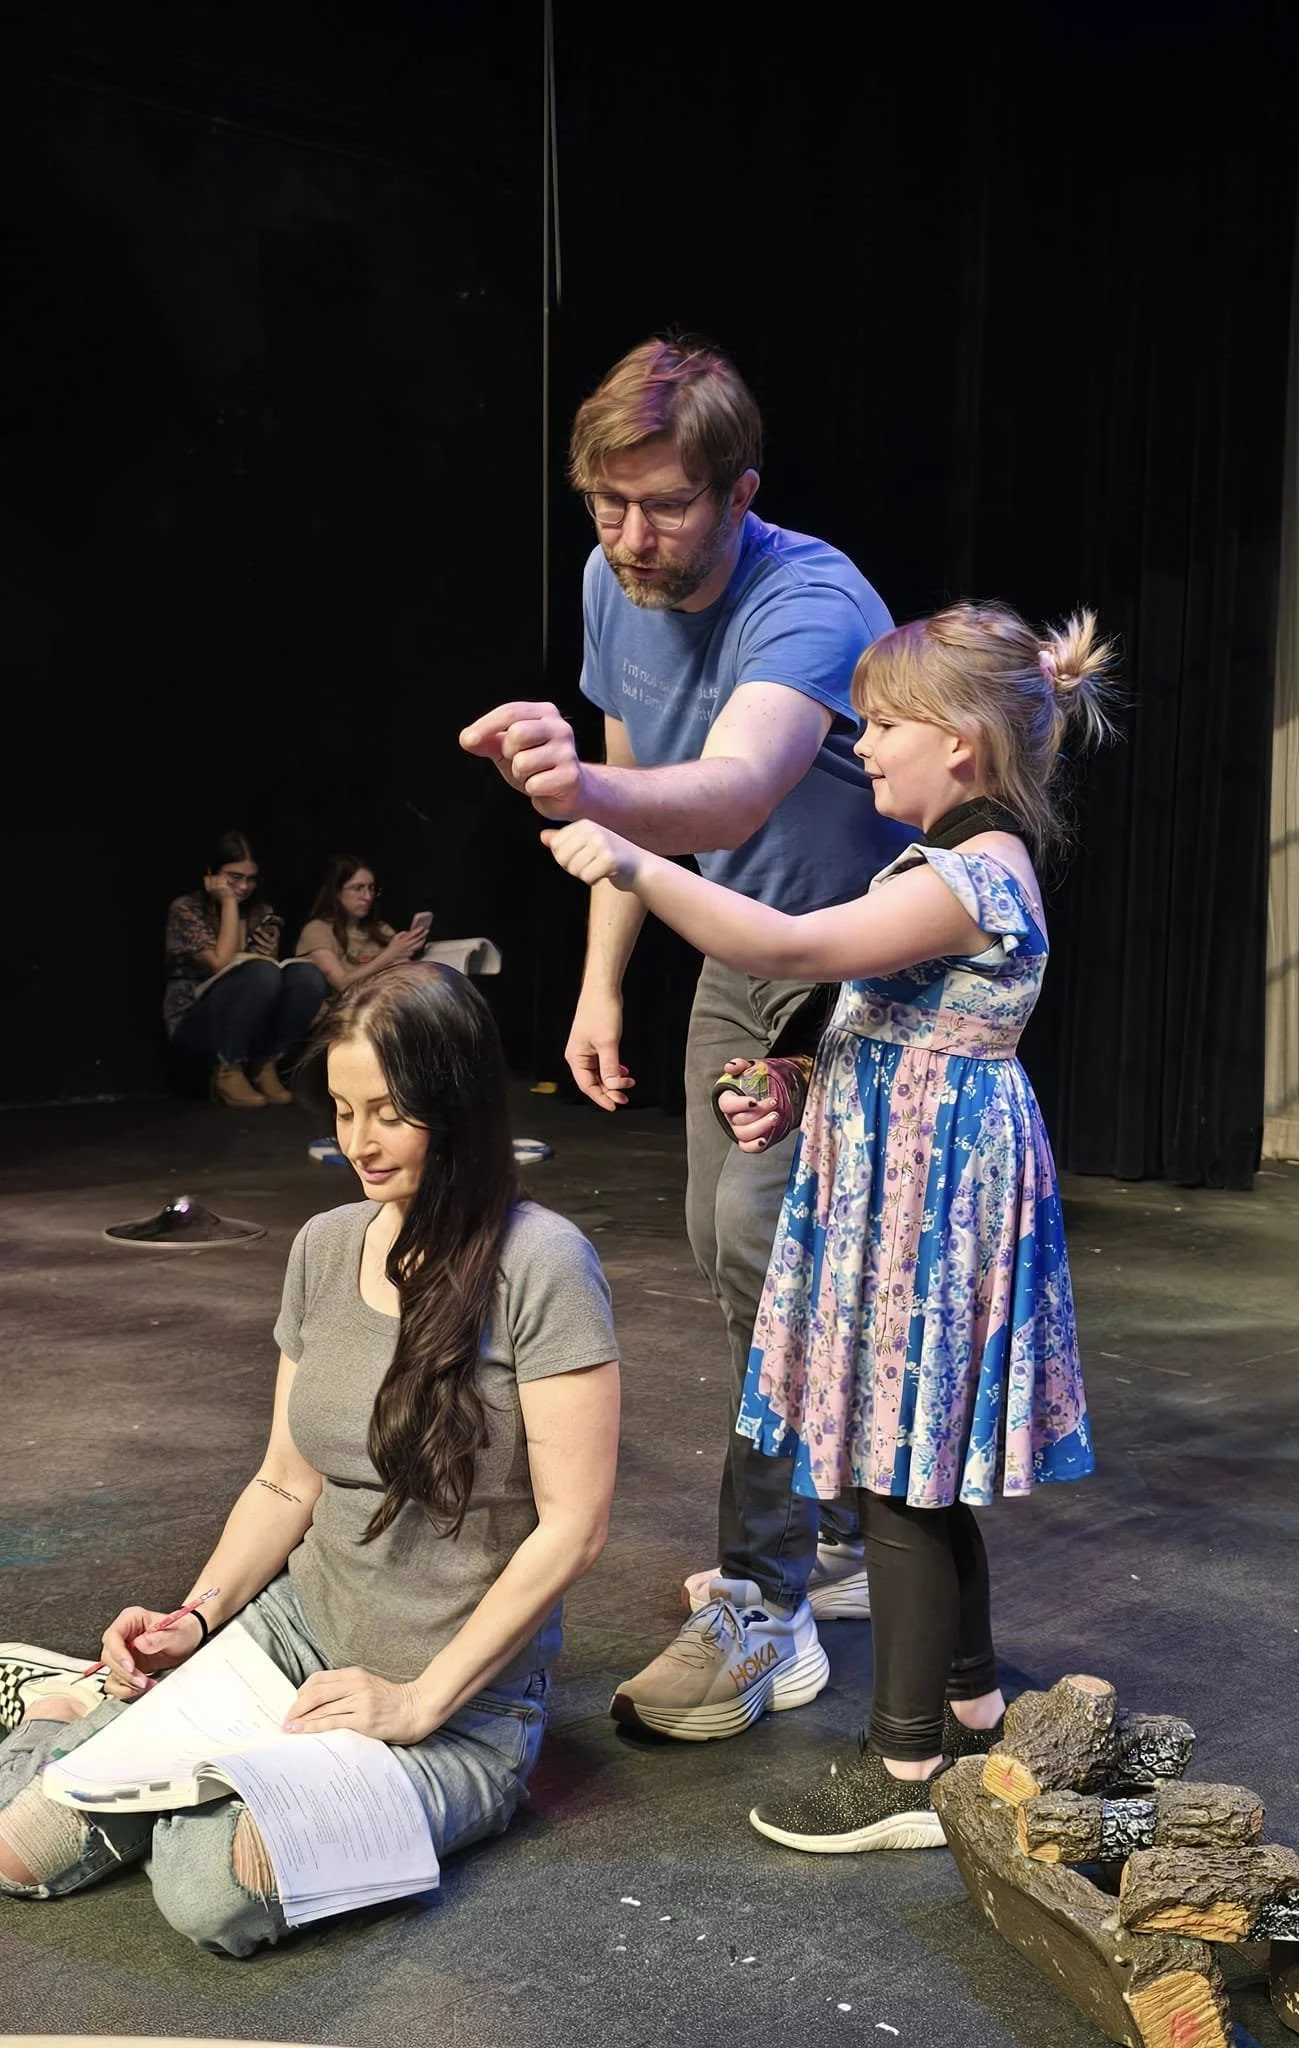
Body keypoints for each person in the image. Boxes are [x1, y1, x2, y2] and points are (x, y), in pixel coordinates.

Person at [545, 601, 1107, 1851]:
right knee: (917, 1470)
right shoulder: (952, 867)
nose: (865, 747)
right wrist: (798, 1084)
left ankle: (903, 1768)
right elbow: (902, 1024)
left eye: (889, 725)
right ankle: (970, 1702)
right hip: (907, 1174)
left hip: (925, 1201)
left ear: (962, 743)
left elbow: (794, 942)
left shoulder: (969, 874)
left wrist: (639, 860)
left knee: (900, 1481)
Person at [461, 337, 914, 1740]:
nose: (631, 538)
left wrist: (568, 787)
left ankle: (774, 1599)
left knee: (774, 1254)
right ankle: (831, 1532)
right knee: (733, 1250)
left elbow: (722, 793)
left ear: (739, 493)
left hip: (861, 978)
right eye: (607, 504)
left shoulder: (813, 595)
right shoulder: (614, 582)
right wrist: (603, 983)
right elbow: (637, 787)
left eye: (663, 507)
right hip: (735, 963)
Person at [0, 963, 620, 1951]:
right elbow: (285, 1476)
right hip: (296, 1633)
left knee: (211, 1885)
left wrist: (417, 1698)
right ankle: (89, 1704)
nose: (358, 1141)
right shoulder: (327, 1246)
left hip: (460, 1701)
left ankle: (95, 1720)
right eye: (341, 1109)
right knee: (17, 1844)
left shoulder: (542, 1261)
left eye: (386, 1110)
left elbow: (574, 1525)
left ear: (455, 1102)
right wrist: (196, 1617)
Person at [163, 830, 327, 1108]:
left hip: (248, 1023)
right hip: (196, 1023)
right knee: (260, 973)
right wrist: (228, 903)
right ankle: (227, 1069)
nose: (243, 887)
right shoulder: (187, 909)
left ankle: (265, 1064)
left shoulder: (261, 912)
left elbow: (269, 980)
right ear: (211, 875)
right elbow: (221, 964)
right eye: (234, 878)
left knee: (306, 976)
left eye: (250, 879)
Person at [294, 853, 430, 991]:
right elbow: (342, 983)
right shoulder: (318, 930)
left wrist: (408, 948)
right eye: (358, 888)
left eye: (371, 888)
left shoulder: (380, 929)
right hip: (348, 1007)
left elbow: (402, 970)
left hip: (390, 998)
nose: (367, 897)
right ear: (337, 892)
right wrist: (389, 955)